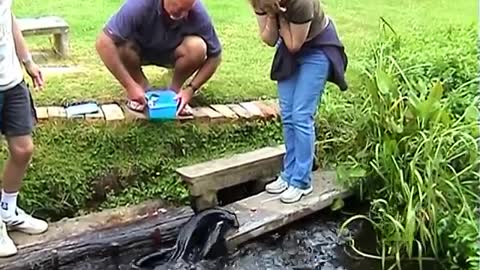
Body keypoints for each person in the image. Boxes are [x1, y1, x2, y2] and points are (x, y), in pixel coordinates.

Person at [248, 0, 348, 203]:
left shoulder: (301, 2)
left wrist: (281, 20)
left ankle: (302, 181)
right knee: (287, 114)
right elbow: (268, 39)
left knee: (301, 114)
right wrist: (271, 15)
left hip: (316, 49)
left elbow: (294, 45)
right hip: (289, 47)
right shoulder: (260, 2)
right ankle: (288, 174)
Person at [96, 0, 222, 116]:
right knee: (119, 44)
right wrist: (130, 86)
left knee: (197, 47)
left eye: (187, 10)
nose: (184, 15)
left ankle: (174, 93)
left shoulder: (197, 12)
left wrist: (191, 89)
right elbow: (103, 43)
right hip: (136, 51)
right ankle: (140, 87)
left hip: (173, 51)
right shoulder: (140, 4)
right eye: (179, 9)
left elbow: (215, 56)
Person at [0, 0, 48, 257]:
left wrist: (27, 61)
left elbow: (8, 16)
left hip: (11, 81)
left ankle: (6, 210)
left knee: (23, 149)